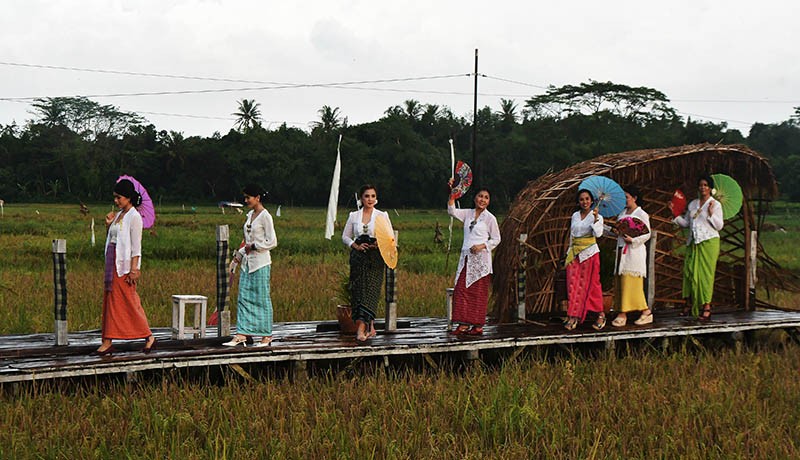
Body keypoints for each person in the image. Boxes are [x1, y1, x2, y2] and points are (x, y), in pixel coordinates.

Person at [95, 179, 155, 355]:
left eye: (119, 197)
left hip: (124, 265)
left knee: (128, 299)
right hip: (112, 261)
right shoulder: (119, 215)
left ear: (128, 197)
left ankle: (148, 336)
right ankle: (107, 339)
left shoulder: (134, 217)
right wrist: (108, 225)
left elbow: (136, 246)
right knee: (110, 300)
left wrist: (135, 269)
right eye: (115, 197)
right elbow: (112, 239)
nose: (116, 201)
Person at [224, 184, 277, 347]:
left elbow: (272, 241)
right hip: (247, 263)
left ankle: (266, 335)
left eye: (248, 197)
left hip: (260, 263)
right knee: (244, 297)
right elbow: (246, 241)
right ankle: (242, 333)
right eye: (245, 197)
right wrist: (238, 256)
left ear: (257, 198)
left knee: (261, 298)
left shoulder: (265, 216)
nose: (246, 200)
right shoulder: (250, 215)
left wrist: (253, 246)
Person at [342, 184, 394, 342]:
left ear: (376, 198)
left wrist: (379, 243)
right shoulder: (353, 216)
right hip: (359, 257)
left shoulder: (382, 216)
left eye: (372, 196)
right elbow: (345, 236)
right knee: (358, 293)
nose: (370, 199)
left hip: (375, 258)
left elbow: (390, 237)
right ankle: (370, 327)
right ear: (361, 198)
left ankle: (361, 329)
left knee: (370, 292)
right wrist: (356, 246)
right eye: (366, 196)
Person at [447, 184, 501, 336]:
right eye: (480, 196)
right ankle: (463, 324)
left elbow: (497, 239)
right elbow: (451, 210)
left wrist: (482, 246)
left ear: (489, 201)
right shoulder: (468, 214)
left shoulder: (490, 218)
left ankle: (477, 326)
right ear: (474, 198)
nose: (482, 200)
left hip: (481, 261)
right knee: (461, 290)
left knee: (478, 293)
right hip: (466, 258)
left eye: (486, 197)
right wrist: (452, 193)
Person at [672, 175, 724, 320]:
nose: (703, 188)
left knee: (705, 275)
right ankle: (689, 303)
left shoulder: (715, 205)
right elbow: (687, 223)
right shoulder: (693, 204)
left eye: (706, 185)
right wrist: (675, 214)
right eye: (701, 185)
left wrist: (711, 214)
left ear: (710, 188)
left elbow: (719, 226)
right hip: (694, 242)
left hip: (709, 242)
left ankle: (706, 306)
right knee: (689, 272)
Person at [564, 189, 606, 331]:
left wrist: (595, 220)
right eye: (582, 199)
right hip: (575, 253)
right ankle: (573, 315)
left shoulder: (597, 216)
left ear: (592, 200)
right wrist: (569, 253)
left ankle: (600, 314)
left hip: (589, 253)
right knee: (572, 284)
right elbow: (572, 235)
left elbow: (598, 234)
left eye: (587, 199)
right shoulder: (575, 215)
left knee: (592, 285)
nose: (585, 202)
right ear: (578, 202)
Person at [611, 186, 653, 327]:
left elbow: (647, 234)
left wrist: (633, 240)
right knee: (622, 283)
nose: (625, 200)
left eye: (627, 197)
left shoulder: (641, 214)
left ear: (634, 198)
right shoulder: (622, 214)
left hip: (634, 252)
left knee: (632, 283)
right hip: (622, 250)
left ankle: (626, 313)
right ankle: (637, 311)